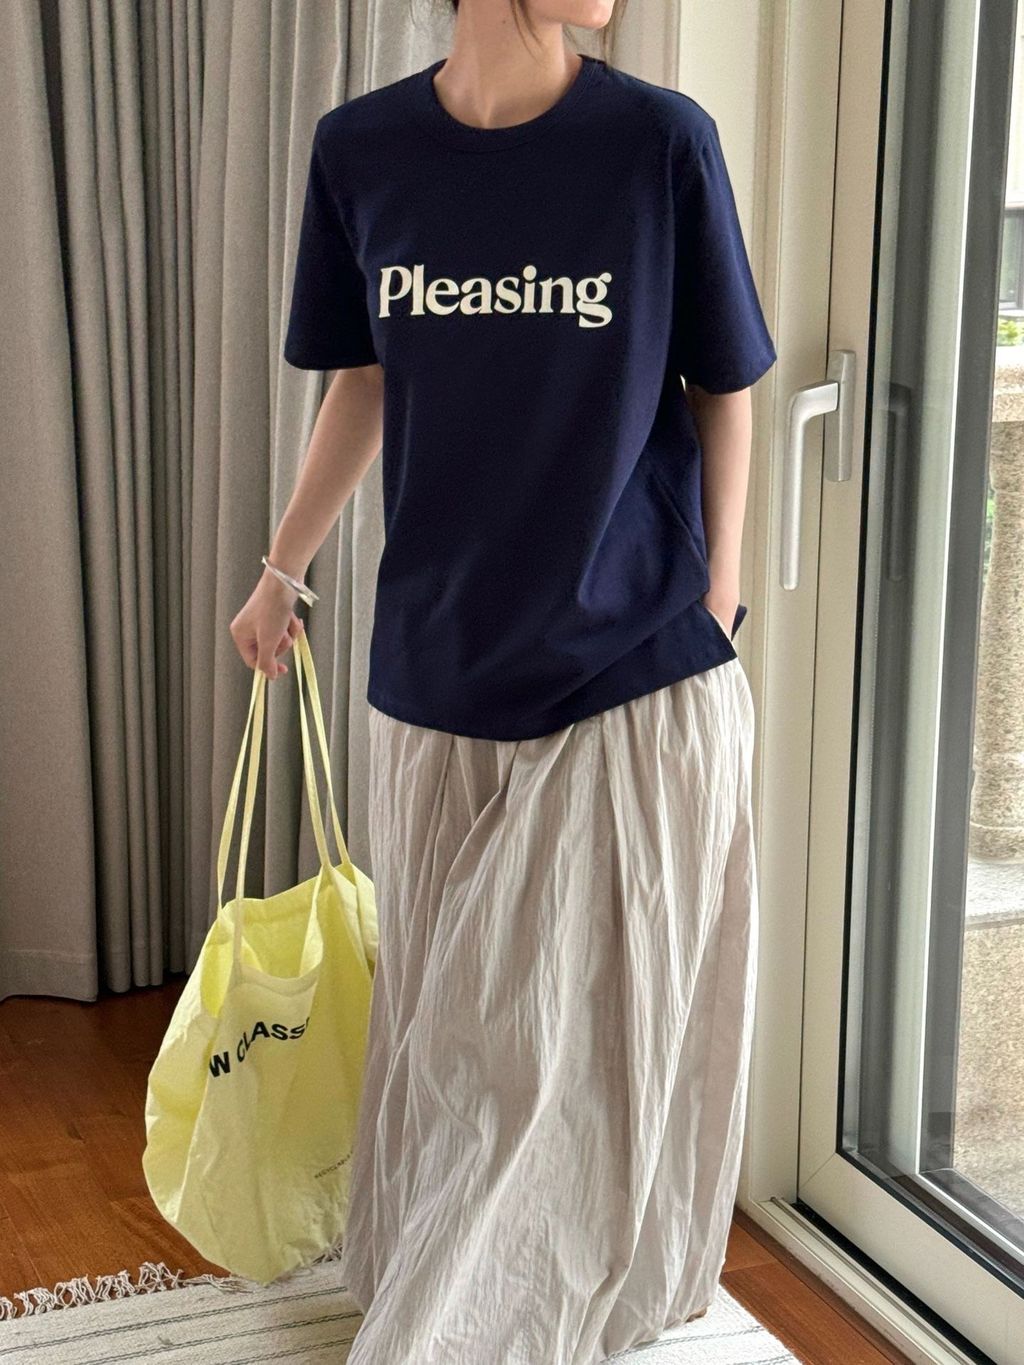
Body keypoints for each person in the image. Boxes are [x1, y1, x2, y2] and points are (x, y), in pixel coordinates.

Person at [230, 1, 776, 1359]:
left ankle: (471, 1328)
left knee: (542, 1061)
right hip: (440, 662)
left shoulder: (659, 142)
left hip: (630, 662)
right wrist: (284, 568)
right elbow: (365, 380)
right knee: (460, 1042)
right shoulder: (361, 149)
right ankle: (475, 1289)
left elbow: (726, 384)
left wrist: (717, 598)